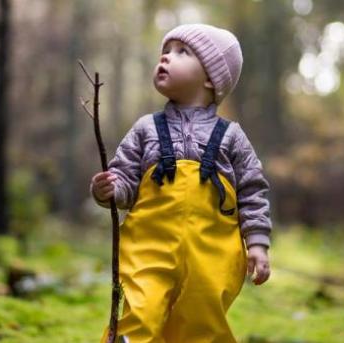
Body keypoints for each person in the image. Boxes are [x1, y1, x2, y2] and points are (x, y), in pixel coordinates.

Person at [91, 23, 272, 343]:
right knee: (140, 313)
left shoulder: (231, 137)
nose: (165, 58)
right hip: (148, 248)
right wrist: (109, 190)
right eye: (165, 51)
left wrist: (257, 242)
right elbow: (125, 182)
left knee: (201, 324)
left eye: (181, 52)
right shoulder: (145, 129)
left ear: (210, 78)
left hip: (212, 255)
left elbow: (252, 190)